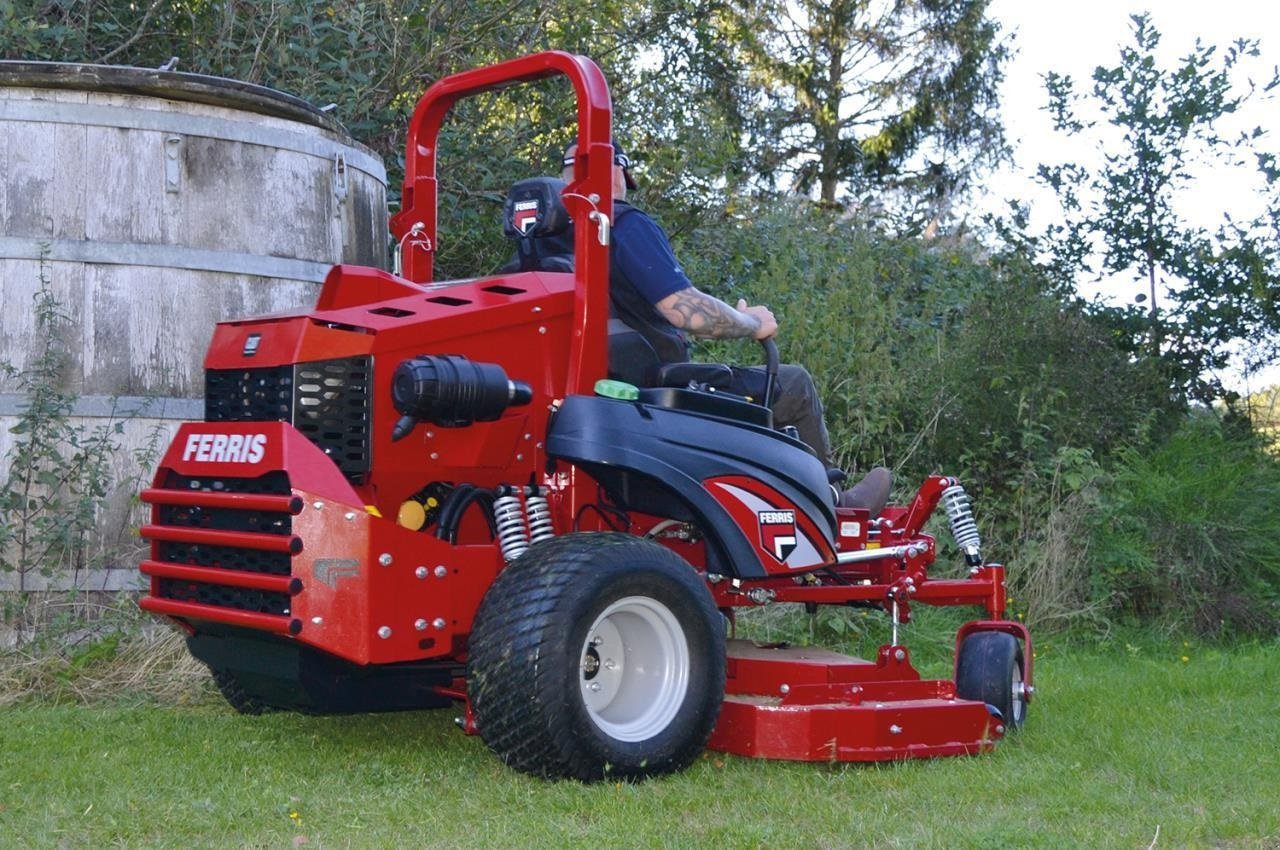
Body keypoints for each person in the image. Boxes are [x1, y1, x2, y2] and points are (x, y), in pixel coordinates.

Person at [561, 141, 834, 469]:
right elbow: (686, 311)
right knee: (795, 384)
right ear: (617, 170)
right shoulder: (626, 225)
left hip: (585, 404)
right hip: (657, 399)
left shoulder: (544, 240)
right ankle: (832, 504)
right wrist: (751, 323)